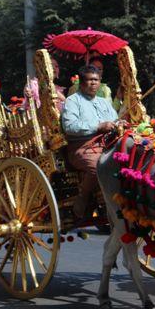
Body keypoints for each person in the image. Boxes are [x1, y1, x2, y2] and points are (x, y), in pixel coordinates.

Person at [61, 64, 118, 219]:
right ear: (81, 82)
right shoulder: (72, 101)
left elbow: (115, 120)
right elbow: (69, 126)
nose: (93, 83)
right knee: (97, 166)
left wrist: (119, 125)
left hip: (107, 144)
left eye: (96, 80)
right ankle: (83, 196)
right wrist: (98, 126)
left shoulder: (104, 102)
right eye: (90, 80)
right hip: (82, 147)